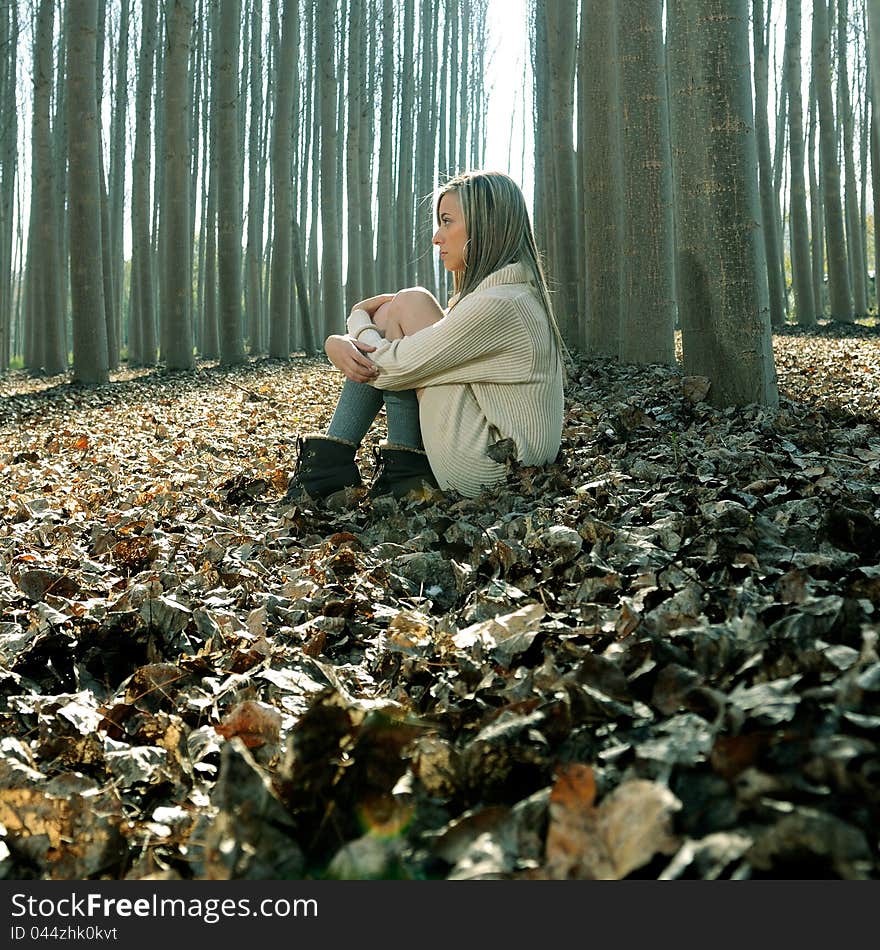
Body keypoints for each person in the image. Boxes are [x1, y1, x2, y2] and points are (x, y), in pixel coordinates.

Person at [282, 169, 567, 504]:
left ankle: (333, 473)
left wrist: (352, 325)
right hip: (500, 460)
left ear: (485, 226)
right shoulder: (509, 296)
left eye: (447, 221)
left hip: (489, 471)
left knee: (407, 307)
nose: (437, 237)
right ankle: (396, 474)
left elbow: (391, 368)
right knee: (402, 310)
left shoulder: (500, 305)